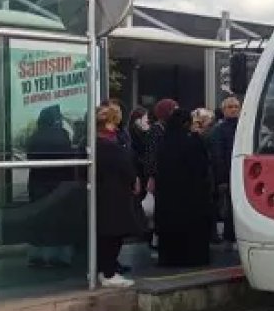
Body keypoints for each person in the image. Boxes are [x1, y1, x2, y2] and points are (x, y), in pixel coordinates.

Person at [154, 107, 213, 267]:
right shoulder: (193, 142)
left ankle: (169, 258)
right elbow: (201, 167)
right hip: (191, 195)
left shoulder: (163, 141)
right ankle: (193, 258)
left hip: (168, 194)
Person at [94, 104, 142, 288]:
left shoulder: (96, 143)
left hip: (104, 193)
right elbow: (126, 165)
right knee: (113, 236)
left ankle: (103, 270)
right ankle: (108, 272)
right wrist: (134, 180)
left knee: (105, 236)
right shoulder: (110, 145)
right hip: (114, 195)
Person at [26, 105, 78, 268]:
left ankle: (37, 255)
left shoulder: (35, 136)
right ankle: (58, 256)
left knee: (40, 220)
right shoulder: (62, 136)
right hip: (58, 184)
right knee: (58, 221)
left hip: (38, 183)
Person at [208, 95, 241, 245]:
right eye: (230, 107)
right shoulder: (219, 130)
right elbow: (217, 155)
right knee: (229, 208)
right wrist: (222, 179)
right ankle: (229, 237)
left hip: (242, 173)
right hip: (227, 173)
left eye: (236, 106)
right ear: (224, 110)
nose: (234, 109)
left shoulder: (244, 126)